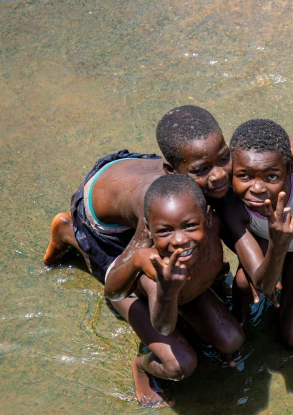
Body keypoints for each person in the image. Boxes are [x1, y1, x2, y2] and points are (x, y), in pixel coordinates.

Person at [43, 105, 233, 283]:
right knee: (142, 277)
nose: (220, 175)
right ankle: (67, 231)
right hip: (96, 206)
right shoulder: (157, 205)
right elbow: (118, 276)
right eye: (201, 169)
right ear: (171, 170)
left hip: (130, 169)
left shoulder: (202, 162)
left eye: (224, 158)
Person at [103, 175, 244, 407]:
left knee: (233, 340)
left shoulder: (214, 229)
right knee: (180, 365)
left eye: (189, 226)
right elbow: (164, 325)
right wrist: (166, 290)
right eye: (165, 231)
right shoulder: (154, 267)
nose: (179, 240)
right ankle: (141, 366)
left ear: (207, 218)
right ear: (149, 230)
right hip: (136, 298)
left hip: (185, 294)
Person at [228, 119, 293, 349]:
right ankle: (240, 318)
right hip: (271, 243)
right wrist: (277, 243)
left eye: (271, 176)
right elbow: (262, 283)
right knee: (245, 282)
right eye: (244, 175)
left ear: (289, 170)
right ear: (230, 171)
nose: (256, 188)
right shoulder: (231, 203)